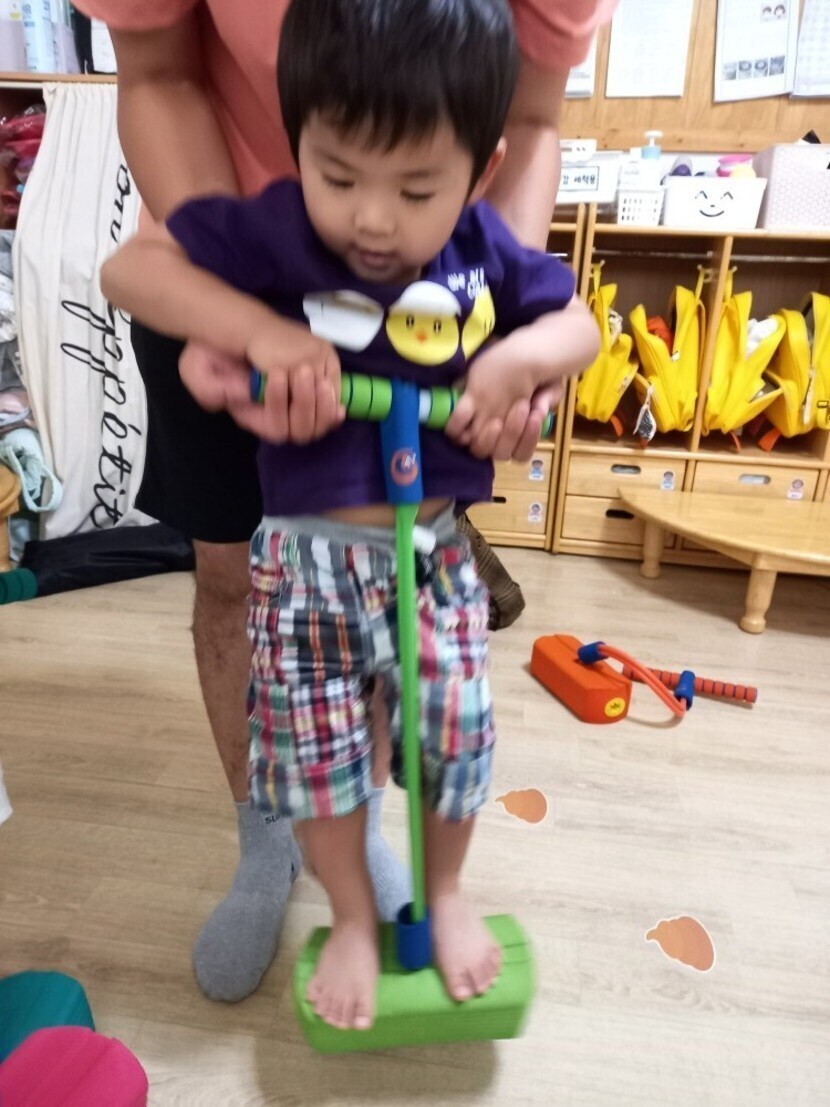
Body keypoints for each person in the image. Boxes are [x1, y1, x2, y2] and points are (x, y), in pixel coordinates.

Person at [76, 0, 616, 1005]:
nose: (372, 218)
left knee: (453, 741)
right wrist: (250, 329)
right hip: (307, 568)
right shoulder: (281, 236)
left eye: (414, 188)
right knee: (318, 761)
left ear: (479, 172)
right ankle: (349, 916)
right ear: (299, 149)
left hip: (433, 561)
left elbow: (577, 322)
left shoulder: (478, 249)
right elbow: (130, 268)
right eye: (337, 176)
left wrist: (523, 356)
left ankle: (443, 897)